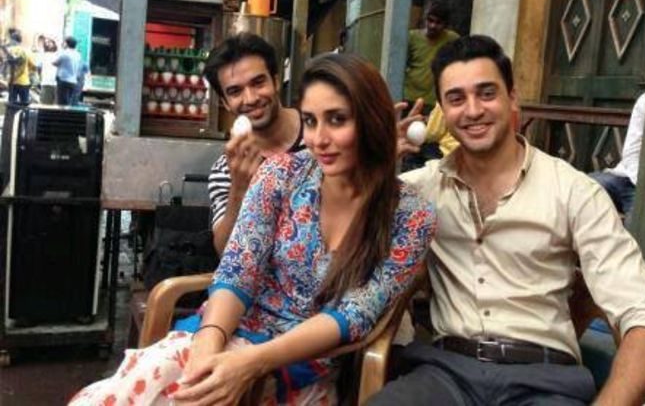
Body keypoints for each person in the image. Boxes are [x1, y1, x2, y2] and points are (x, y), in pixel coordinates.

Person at [69, 54, 436, 405]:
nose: (319, 139)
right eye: (310, 121)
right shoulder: (282, 173)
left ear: (372, 121)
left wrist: (250, 364)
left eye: (337, 120)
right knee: (152, 385)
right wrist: (206, 350)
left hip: (300, 365)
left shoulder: (411, 216)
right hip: (229, 331)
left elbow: (356, 315)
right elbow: (238, 268)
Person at [369, 35, 645, 406]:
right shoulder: (420, 190)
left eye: (486, 93)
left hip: (544, 380)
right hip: (445, 374)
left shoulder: (574, 192)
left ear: (512, 97)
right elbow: (335, 224)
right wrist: (377, 163)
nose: (472, 110)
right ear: (443, 112)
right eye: (456, 98)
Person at [203, 33, 306, 256]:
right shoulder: (228, 168)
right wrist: (240, 188)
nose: (250, 98)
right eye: (235, 91)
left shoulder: (320, 134)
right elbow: (225, 253)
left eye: (258, 83)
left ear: (276, 81)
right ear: (225, 103)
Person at [589, 91, 645, 222]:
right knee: (579, 187)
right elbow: (632, 151)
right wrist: (638, 181)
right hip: (625, 176)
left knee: (638, 226)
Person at [403, 1, 459, 115]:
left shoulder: (452, 39)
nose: (433, 25)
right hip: (409, 96)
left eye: (438, 23)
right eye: (430, 20)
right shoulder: (412, 37)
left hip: (433, 100)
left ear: (446, 25)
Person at [3, 28, 36, 105]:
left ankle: (11, 113)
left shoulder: (9, 51)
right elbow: (33, 67)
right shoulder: (26, 51)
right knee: (24, 105)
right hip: (23, 81)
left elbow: (5, 64)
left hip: (12, 81)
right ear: (20, 41)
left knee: (11, 105)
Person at [53, 35, 81, 105]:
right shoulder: (78, 55)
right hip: (73, 81)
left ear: (66, 43)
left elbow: (54, 62)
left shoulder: (64, 53)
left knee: (61, 103)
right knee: (69, 102)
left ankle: (62, 112)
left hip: (63, 81)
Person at [38, 37, 58, 104]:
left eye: (50, 42)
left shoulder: (58, 55)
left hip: (56, 83)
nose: (48, 44)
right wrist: (40, 77)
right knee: (45, 104)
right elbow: (38, 67)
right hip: (46, 82)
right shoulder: (42, 55)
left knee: (56, 106)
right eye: (46, 43)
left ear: (54, 44)